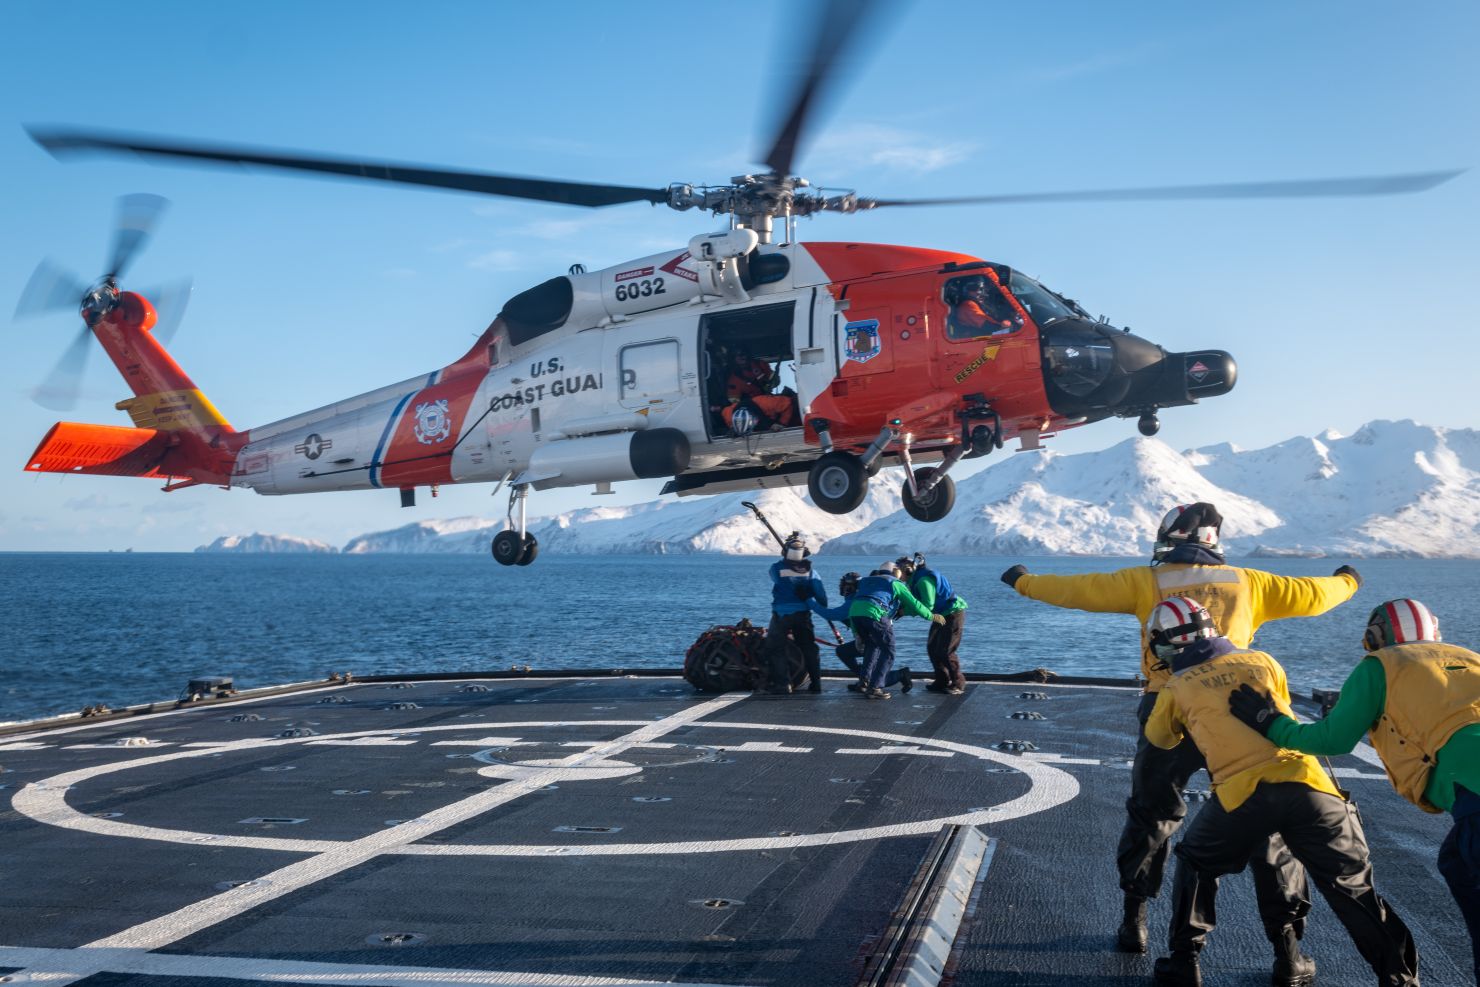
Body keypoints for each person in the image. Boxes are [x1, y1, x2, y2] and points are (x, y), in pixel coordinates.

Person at [999, 502, 1361, 953]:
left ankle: (1135, 920)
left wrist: (1022, 581)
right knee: (1267, 821)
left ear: (1169, 540)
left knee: (1151, 812)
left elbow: (1076, 589)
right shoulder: (1252, 583)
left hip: (1168, 701)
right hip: (1245, 710)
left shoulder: (1144, 581)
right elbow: (1316, 593)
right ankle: (1286, 950)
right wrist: (1348, 580)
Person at [1147, 596, 1418, 987]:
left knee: (1196, 862)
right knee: (1349, 887)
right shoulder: (1264, 661)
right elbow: (1279, 708)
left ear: (1168, 642)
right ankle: (1327, 965)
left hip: (1241, 795)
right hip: (1309, 787)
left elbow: (1160, 738)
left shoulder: (1177, 684)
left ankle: (1184, 962)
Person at [1231, 598, 1480, 981]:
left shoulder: (1382, 665)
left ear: (1373, 638)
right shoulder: (1471, 658)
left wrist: (1271, 723)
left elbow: (1332, 740)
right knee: (1455, 863)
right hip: (1470, 804)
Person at [847, 561, 943, 699]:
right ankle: (875, 687)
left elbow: (856, 602)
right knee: (888, 650)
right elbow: (915, 604)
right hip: (876, 614)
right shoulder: (895, 583)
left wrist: (856, 633)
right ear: (895, 572)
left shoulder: (864, 581)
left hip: (855, 615)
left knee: (872, 646)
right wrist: (931, 616)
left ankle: (864, 682)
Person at [812, 570, 913, 693]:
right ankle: (864, 679)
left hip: (874, 641)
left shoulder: (854, 602)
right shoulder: (859, 598)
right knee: (842, 651)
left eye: (847, 586)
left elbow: (831, 614)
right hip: (870, 638)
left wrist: (809, 602)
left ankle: (900, 675)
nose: (845, 588)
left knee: (869, 672)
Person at [762, 532, 828, 695]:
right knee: (809, 647)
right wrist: (821, 605)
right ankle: (816, 682)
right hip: (803, 614)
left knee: (776, 648)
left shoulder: (776, 568)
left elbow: (775, 577)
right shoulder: (811, 571)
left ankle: (783, 684)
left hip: (781, 615)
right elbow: (820, 594)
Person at [897, 553, 968, 695]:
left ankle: (958, 683)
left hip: (953, 613)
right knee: (932, 648)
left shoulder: (923, 580)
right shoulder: (914, 580)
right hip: (941, 615)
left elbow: (927, 605)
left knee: (946, 650)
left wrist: (904, 612)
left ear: (908, 570)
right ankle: (942, 681)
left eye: (899, 570)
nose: (897, 574)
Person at [719, 350, 796, 433]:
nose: (741, 358)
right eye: (737, 356)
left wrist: (781, 423)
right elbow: (728, 407)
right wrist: (733, 427)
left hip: (764, 401)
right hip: (750, 402)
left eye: (743, 354)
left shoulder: (760, 365)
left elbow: (788, 403)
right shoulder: (729, 413)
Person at [949, 275, 1021, 336]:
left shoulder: (977, 305)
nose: (978, 291)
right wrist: (1009, 326)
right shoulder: (968, 305)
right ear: (964, 290)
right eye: (974, 287)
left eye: (981, 288)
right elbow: (988, 325)